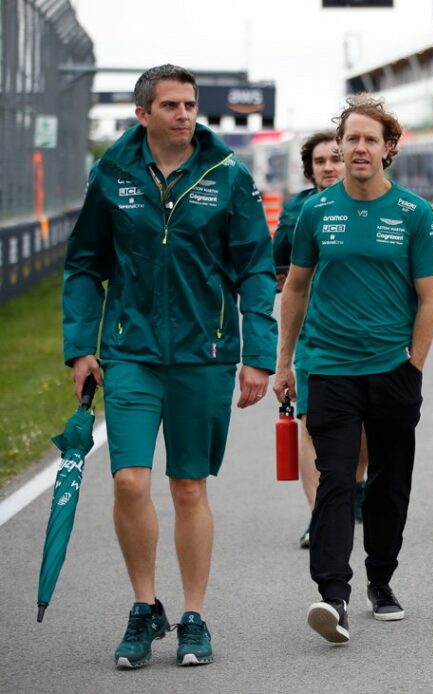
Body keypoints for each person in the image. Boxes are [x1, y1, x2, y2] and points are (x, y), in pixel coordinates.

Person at [62, 64, 277, 668]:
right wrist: (81, 346)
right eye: (172, 106)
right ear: (143, 115)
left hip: (204, 355)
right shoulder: (111, 174)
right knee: (129, 480)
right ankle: (142, 606)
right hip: (131, 352)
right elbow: (85, 264)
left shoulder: (227, 176)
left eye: (190, 105)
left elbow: (256, 268)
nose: (185, 114)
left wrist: (257, 356)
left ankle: (192, 616)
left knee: (187, 486)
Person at [274, 95, 433, 643]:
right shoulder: (316, 213)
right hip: (329, 366)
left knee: (390, 483)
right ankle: (332, 594)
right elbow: (296, 287)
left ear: (388, 148)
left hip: (392, 370)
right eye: (351, 138)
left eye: (371, 139)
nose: (359, 148)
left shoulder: (414, 214)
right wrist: (285, 360)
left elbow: (429, 298)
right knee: (334, 478)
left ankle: (382, 580)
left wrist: (413, 365)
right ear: (341, 145)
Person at [272, 130, 368, 548]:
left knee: (364, 429)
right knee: (312, 427)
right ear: (310, 170)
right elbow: (278, 274)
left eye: (335, 158)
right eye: (320, 162)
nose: (328, 167)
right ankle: (320, 517)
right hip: (314, 339)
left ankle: (355, 486)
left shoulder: (378, 206)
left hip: (367, 339)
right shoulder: (298, 213)